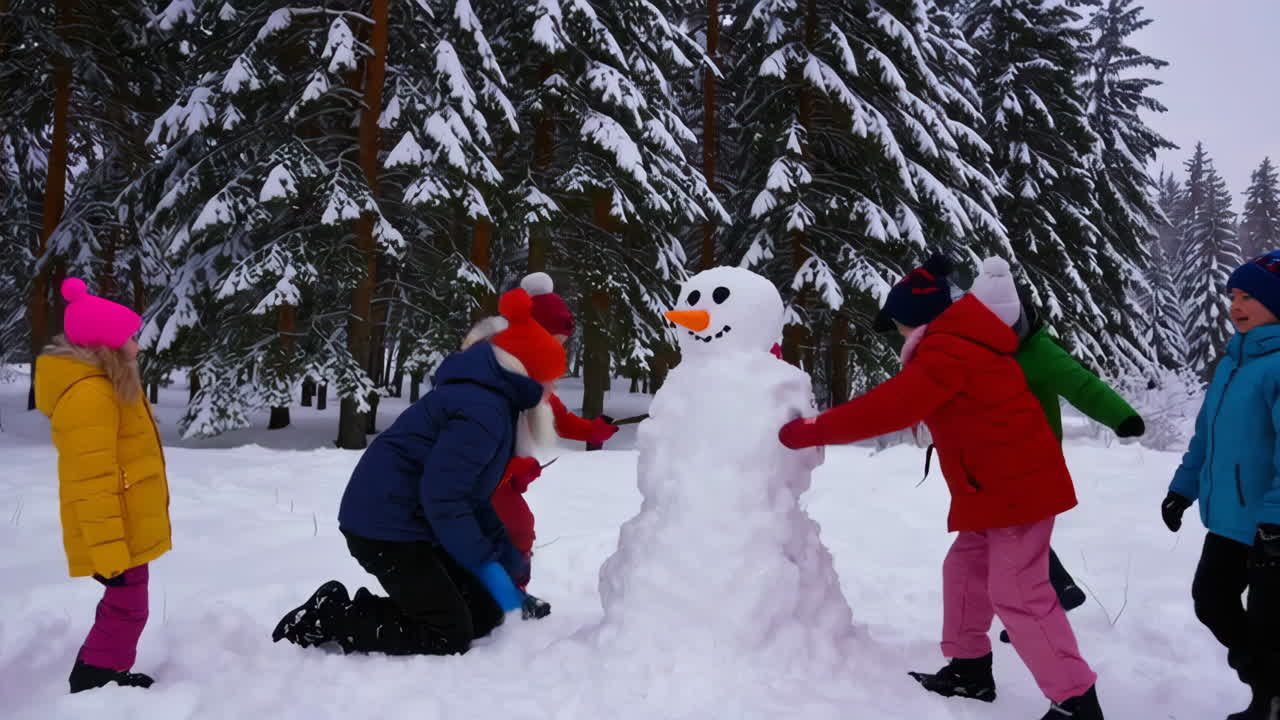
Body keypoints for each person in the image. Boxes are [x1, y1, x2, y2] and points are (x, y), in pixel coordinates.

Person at [779, 255, 1103, 719]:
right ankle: (970, 670)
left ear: (917, 321)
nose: (898, 338)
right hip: (990, 490)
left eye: (898, 328)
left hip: (1015, 492)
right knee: (965, 572)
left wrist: (810, 429)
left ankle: (1076, 701)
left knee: (1019, 594)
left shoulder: (950, 350)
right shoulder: (962, 342)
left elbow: (890, 408)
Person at [272, 287, 561, 657]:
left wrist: (504, 561)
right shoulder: (483, 413)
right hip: (384, 527)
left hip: (415, 522)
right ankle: (331, 616)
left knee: (485, 612)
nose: (553, 390)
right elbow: (445, 499)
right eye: (550, 378)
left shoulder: (494, 406)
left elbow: (473, 497)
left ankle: (400, 607)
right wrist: (487, 561)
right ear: (528, 374)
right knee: (448, 634)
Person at [968, 258, 1145, 643]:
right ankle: (1058, 592)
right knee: (1010, 535)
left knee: (1013, 538)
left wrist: (1122, 417)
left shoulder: (1038, 351)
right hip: (991, 463)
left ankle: (1037, 610)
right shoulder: (974, 346)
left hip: (1032, 462)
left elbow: (1082, 384)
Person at [35, 278, 171, 693]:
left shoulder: (108, 386)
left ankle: (103, 671)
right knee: (128, 607)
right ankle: (94, 680)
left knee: (127, 606)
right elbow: (90, 482)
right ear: (105, 345)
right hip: (114, 531)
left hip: (126, 522)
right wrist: (107, 552)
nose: (138, 344)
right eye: (130, 337)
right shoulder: (90, 396)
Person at [1163, 251, 1280, 720]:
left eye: (1249, 296)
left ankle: (1270, 700)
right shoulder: (1232, 364)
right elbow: (1205, 438)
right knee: (1212, 601)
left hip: (1270, 528)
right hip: (1231, 522)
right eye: (1233, 295)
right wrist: (1182, 488)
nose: (1236, 305)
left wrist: (1275, 520)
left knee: (1270, 623)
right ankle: (1268, 686)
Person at [488, 273, 618, 588]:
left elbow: (556, 415)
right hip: (478, 474)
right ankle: (501, 595)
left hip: (498, 474)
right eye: (551, 343)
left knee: (512, 527)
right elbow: (479, 441)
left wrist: (592, 431)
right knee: (512, 526)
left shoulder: (534, 379)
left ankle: (501, 594)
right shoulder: (496, 380)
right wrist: (508, 470)